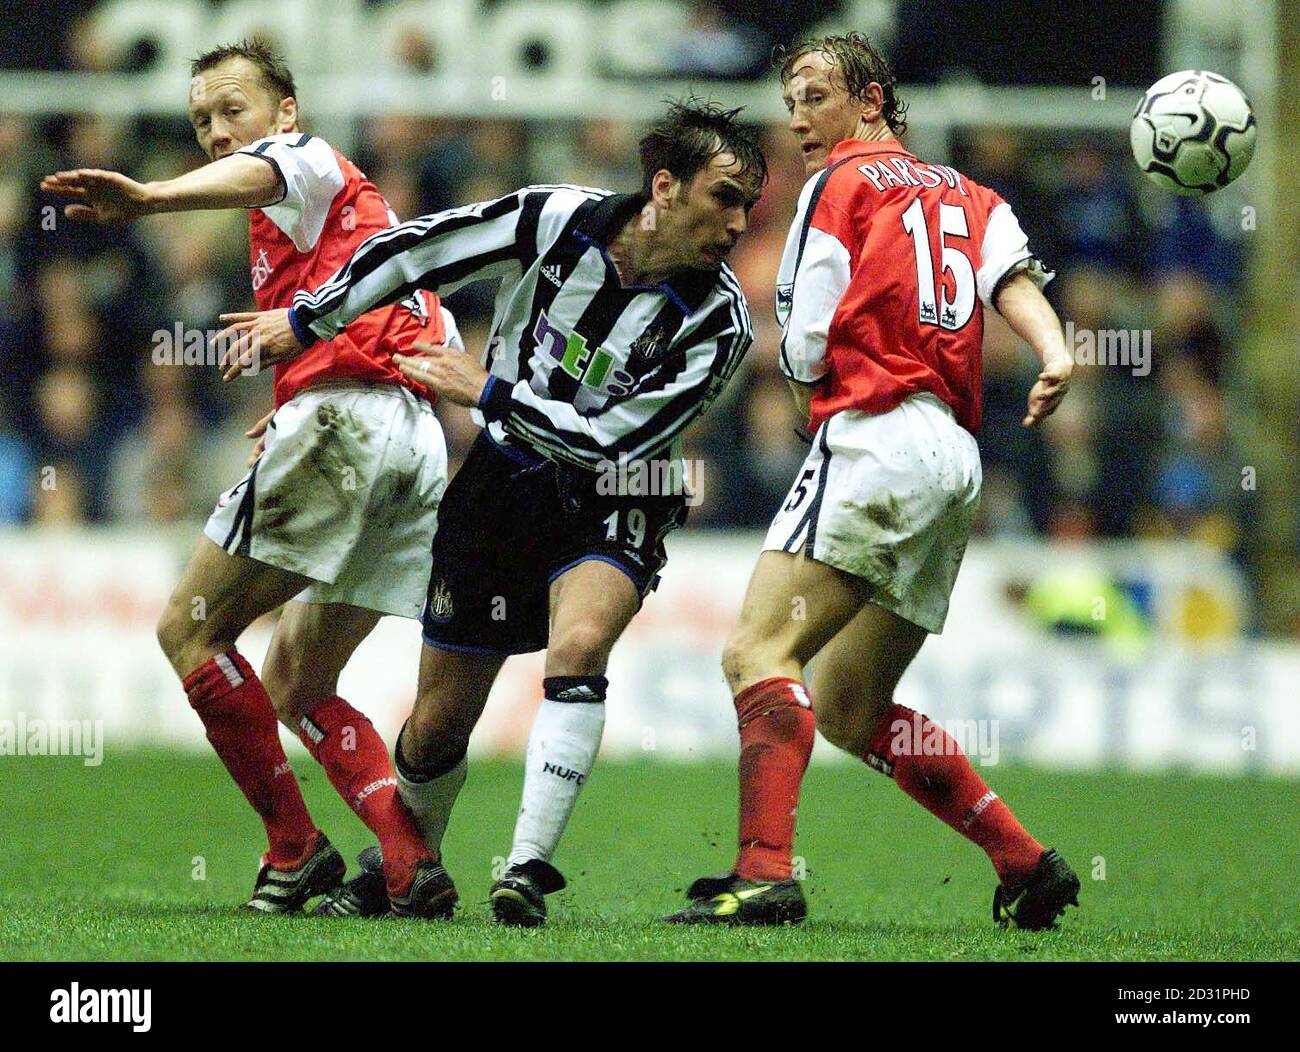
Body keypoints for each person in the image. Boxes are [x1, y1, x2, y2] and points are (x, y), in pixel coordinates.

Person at [216, 99, 766, 926]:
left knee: (578, 644)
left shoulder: (720, 319)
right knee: (435, 727)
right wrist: (309, 320)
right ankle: (413, 868)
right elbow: (418, 251)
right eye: (725, 197)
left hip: (616, 493)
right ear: (664, 186)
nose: (738, 222)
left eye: (748, 206)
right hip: (501, 482)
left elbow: (620, 445)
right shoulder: (553, 219)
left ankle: (527, 869)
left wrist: (489, 391)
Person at [664, 34, 1081, 929]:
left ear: (872, 101)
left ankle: (764, 872)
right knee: (854, 704)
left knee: (756, 653)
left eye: (815, 94)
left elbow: (808, 344)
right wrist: (1053, 352)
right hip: (956, 461)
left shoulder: (836, 187)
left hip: (876, 437)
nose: (798, 116)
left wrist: (825, 399)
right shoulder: (971, 193)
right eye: (791, 98)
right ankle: (1024, 861)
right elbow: (1010, 277)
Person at [41, 39, 462, 918]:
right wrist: (332, 374)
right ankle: (405, 860)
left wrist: (151, 196)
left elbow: (272, 170)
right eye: (201, 120)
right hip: (413, 446)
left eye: (233, 109)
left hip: (350, 427)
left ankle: (296, 850)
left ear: (285, 113)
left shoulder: (306, 162)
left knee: (189, 632)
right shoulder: (365, 230)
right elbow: (435, 339)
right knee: (298, 682)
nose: (217, 131)